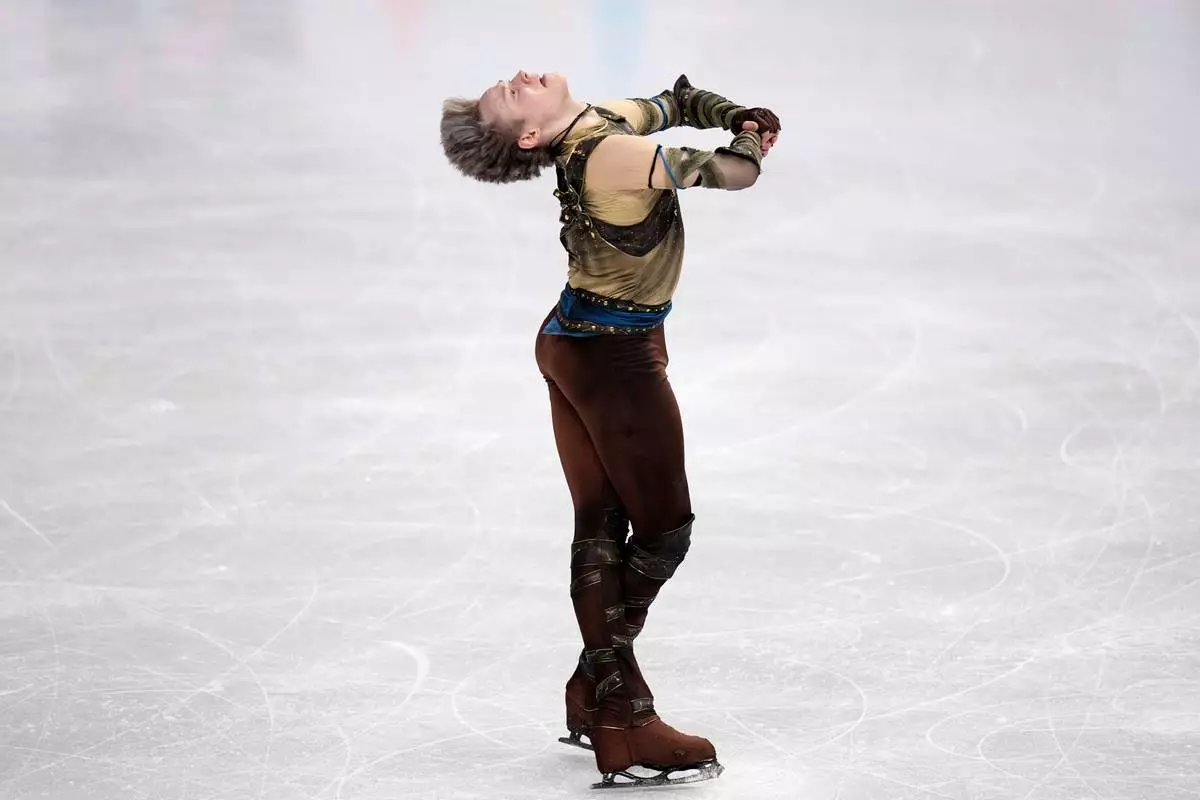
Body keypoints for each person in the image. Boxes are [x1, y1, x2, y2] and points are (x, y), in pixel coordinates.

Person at [440, 70, 780, 789]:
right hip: (613, 356)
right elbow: (737, 172)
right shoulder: (613, 156)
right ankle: (620, 711)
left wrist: (729, 110)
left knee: (602, 517)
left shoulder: (598, 125)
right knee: (662, 530)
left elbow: (675, 101)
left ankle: (596, 695)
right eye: (511, 95)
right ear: (531, 136)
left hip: (575, 339)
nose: (518, 78)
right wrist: (751, 130)